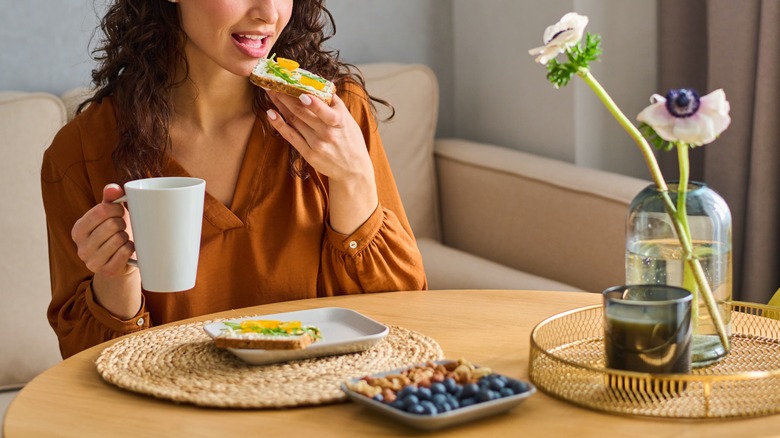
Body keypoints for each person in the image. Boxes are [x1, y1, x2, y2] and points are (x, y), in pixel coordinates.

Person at [41, 0, 427, 359]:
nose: (268, 13)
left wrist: (354, 177)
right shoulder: (81, 152)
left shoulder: (334, 117)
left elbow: (402, 322)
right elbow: (87, 367)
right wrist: (115, 277)